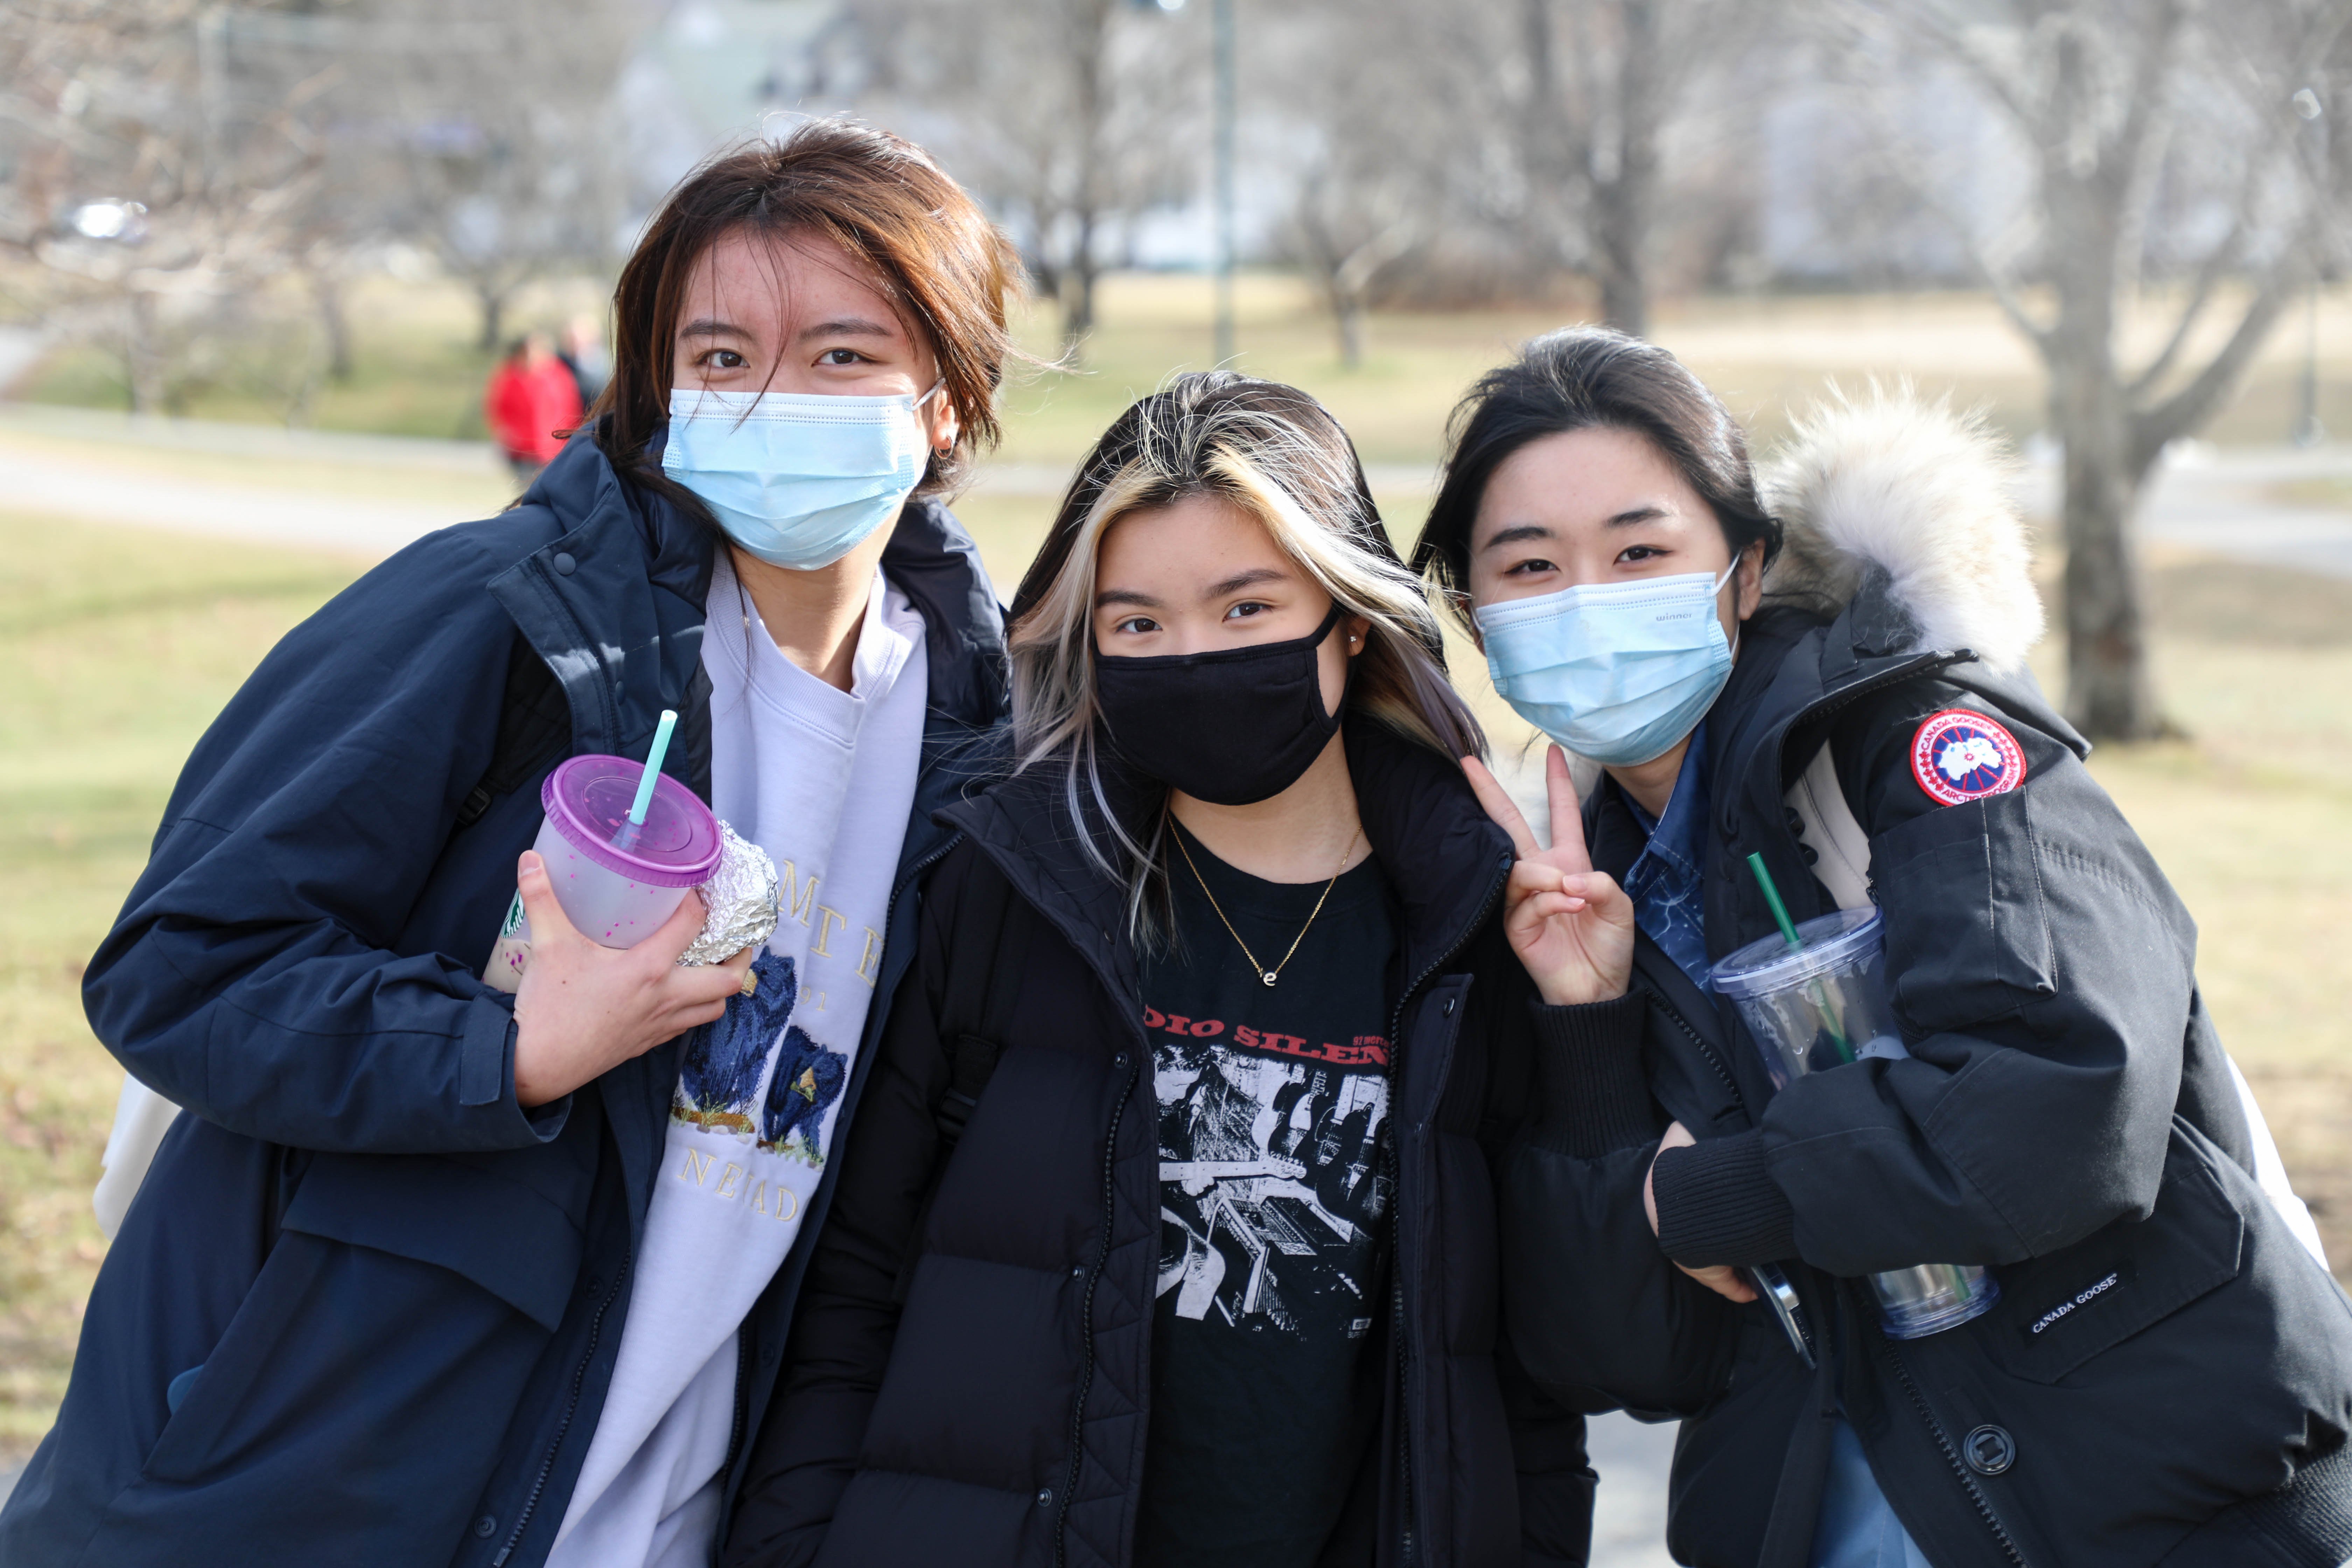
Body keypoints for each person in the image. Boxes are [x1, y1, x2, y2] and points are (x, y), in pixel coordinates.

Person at [0, 120, 1019, 1568]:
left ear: (950, 401)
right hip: (307, 1502)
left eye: (842, 355)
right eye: (720, 359)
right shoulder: (510, 623)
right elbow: (181, 966)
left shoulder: (983, 742)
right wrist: (505, 1050)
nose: (772, 399)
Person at [1416, 328, 2352, 1568]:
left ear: (1745, 572)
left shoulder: (1922, 745)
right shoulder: (1561, 889)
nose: (1589, 599)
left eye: (1641, 551)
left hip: (2165, 1511)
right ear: (1478, 620)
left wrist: (1709, 1195)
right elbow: (1621, 1361)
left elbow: (2065, 1107)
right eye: (1531, 567)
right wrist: (1587, 1030)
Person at [720, 373, 1598, 1567]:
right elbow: (851, 1286)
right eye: (1139, 624)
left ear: (1348, 617)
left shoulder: (1468, 925)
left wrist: (1588, 1022)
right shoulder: (1008, 884)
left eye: (1246, 610)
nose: (1191, 658)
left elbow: (1525, 1381)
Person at [486, 331, 584, 484]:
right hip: (521, 447)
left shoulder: (558, 375)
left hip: (552, 445)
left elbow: (570, 407)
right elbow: (498, 407)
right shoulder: (511, 375)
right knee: (526, 487)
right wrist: (504, 431)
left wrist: (569, 436)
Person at [559, 313, 614, 407]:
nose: (574, 344)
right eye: (571, 340)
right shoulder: (562, 364)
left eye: (577, 340)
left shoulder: (607, 364)